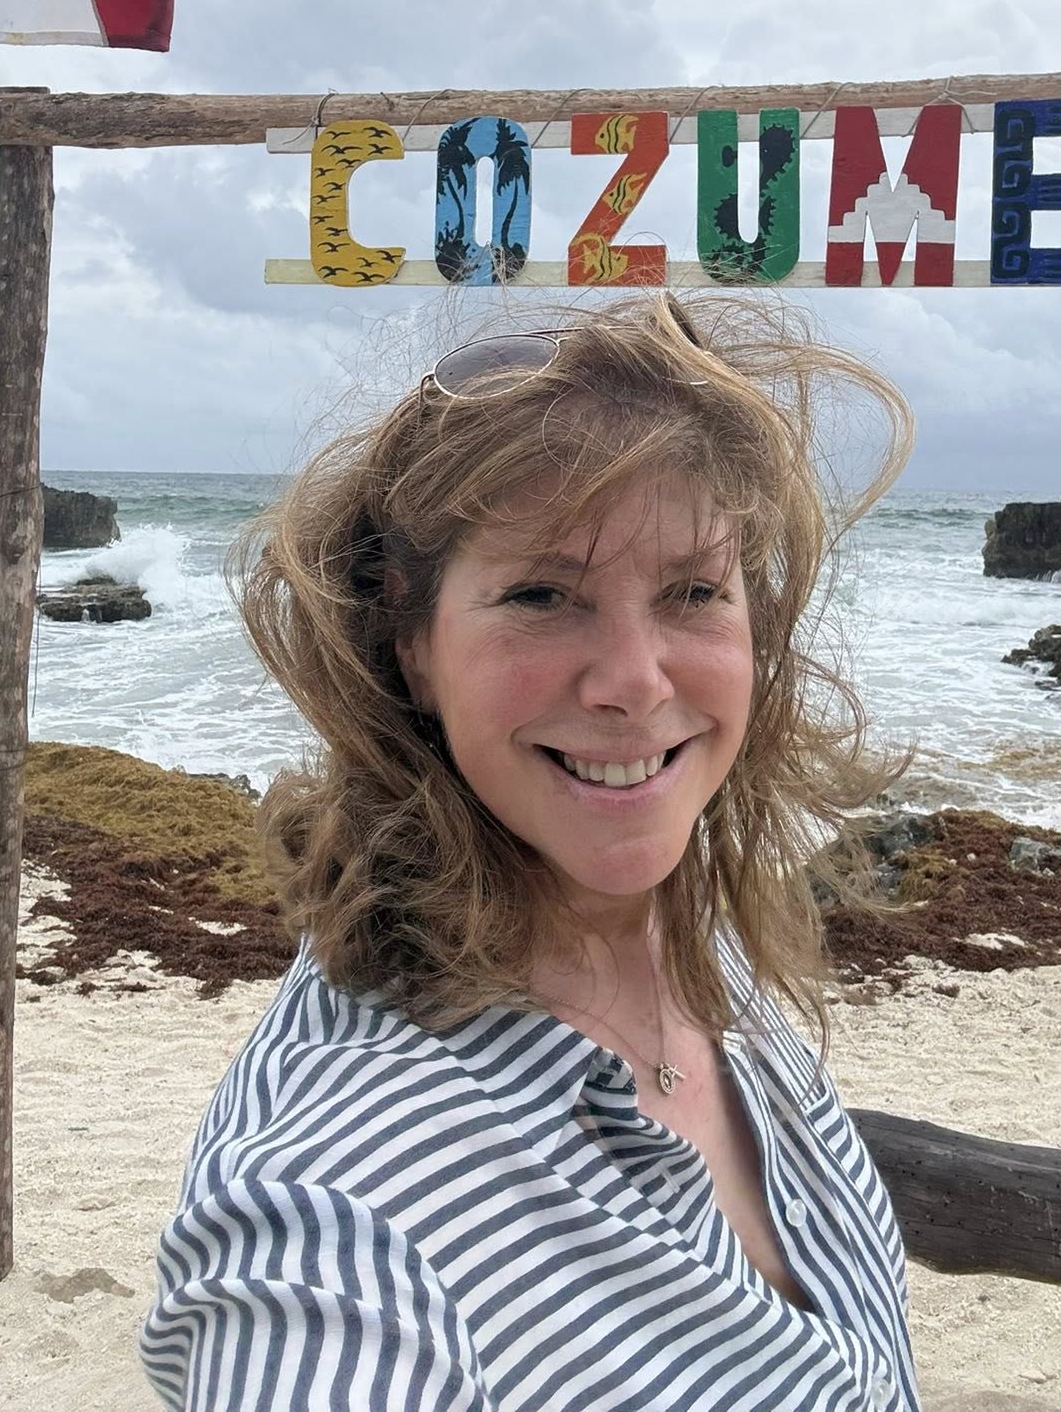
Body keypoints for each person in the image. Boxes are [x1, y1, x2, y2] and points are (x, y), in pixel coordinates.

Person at [141, 291, 923, 1411]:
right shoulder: (339, 1212)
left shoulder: (695, 948)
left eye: (693, 590)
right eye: (544, 594)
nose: (635, 682)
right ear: (409, 639)